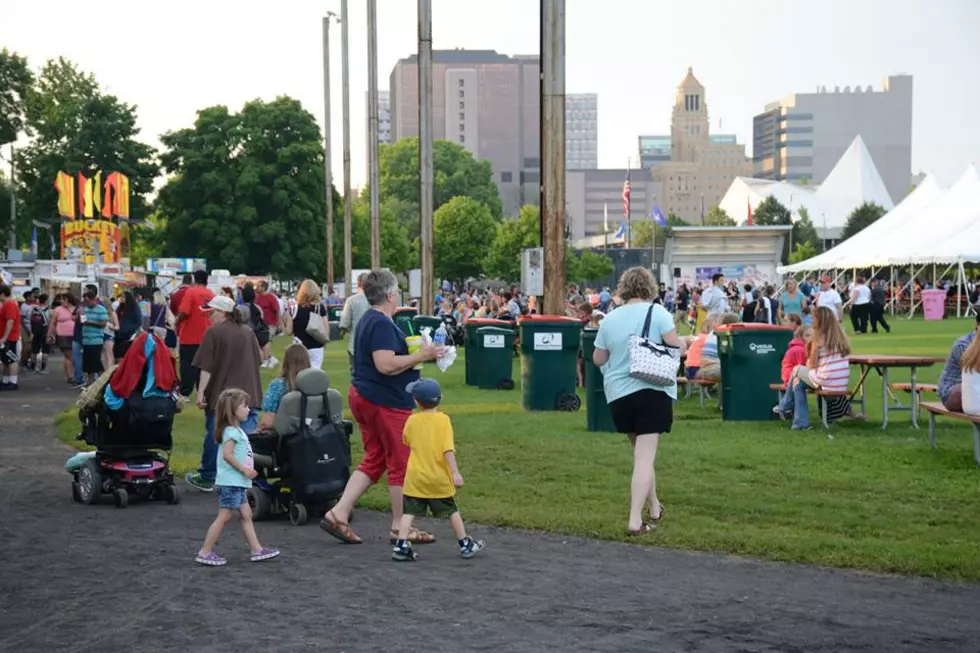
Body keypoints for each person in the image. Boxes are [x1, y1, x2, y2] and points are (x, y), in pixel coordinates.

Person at [319, 269, 444, 546]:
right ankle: (400, 527)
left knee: (375, 459)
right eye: (396, 290)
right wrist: (421, 355)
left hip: (366, 395)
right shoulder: (382, 324)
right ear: (389, 294)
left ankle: (338, 513)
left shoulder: (369, 320)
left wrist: (420, 357)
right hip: (384, 401)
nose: (398, 294)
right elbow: (385, 364)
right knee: (401, 462)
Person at [591, 267, 685, 535]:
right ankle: (635, 520)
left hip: (619, 396)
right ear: (649, 287)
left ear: (623, 288)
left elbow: (598, 358)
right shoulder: (658, 313)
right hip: (651, 391)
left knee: (641, 454)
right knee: (644, 457)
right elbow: (674, 346)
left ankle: (654, 506)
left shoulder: (609, 319)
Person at [391, 378, 486, 562]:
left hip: (416, 477)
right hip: (438, 478)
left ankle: (401, 545)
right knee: (451, 511)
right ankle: (464, 543)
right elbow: (447, 449)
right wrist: (455, 472)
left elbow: (406, 440)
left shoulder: (412, 420)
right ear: (440, 399)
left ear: (417, 402)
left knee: (408, 513)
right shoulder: (443, 420)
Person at [185, 296, 263, 492]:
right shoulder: (248, 332)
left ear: (222, 313)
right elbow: (260, 359)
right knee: (245, 439)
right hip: (249, 393)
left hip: (224, 395)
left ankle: (208, 476)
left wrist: (201, 392)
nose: (209, 317)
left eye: (211, 312)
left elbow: (206, 367)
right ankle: (246, 475)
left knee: (216, 435)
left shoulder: (213, 332)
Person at [195, 388, 280, 566]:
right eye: (245, 406)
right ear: (233, 409)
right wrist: (244, 470)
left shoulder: (236, 430)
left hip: (238, 482)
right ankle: (205, 551)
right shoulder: (231, 432)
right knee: (224, 516)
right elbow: (228, 455)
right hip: (231, 482)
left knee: (246, 514)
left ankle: (257, 549)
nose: (248, 409)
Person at [776, 306, 851, 430]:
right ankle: (799, 423)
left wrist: (809, 359)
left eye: (814, 318)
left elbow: (812, 366)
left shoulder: (818, 339)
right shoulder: (841, 338)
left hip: (825, 381)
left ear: (819, 320)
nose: (811, 321)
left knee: (797, 369)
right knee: (798, 383)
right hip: (841, 382)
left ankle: (785, 404)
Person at [175, 269, 215, 398]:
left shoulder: (190, 292)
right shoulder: (211, 295)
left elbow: (184, 312)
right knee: (203, 366)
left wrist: (176, 319)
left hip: (189, 336)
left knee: (187, 365)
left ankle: (185, 392)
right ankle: (201, 390)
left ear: (194, 279)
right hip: (206, 335)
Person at [257, 344, 311, 430]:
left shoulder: (278, 386)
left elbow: (267, 422)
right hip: (314, 435)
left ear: (286, 362)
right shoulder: (317, 387)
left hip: (285, 437)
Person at [937, 314, 980, 412]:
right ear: (977, 324)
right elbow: (973, 375)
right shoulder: (964, 345)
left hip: (972, 391)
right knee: (972, 387)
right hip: (951, 392)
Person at [340, 272, 371, 369]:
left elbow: (345, 322)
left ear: (358, 284)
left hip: (356, 342)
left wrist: (344, 330)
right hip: (374, 342)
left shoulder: (351, 300)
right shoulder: (377, 299)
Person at [78, 290, 109, 386]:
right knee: (87, 365)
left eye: (87, 301)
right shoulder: (85, 309)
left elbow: (103, 324)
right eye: (85, 301)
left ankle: (103, 383)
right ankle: (89, 383)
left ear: (93, 300)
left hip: (96, 340)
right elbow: (81, 321)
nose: (86, 303)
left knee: (96, 363)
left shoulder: (101, 309)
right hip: (86, 339)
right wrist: (80, 315)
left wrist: (90, 322)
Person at [50, 292, 78, 384]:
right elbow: (53, 323)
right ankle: (70, 376)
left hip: (75, 334)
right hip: (63, 335)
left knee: (74, 356)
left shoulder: (76, 308)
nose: (62, 301)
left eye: (64, 299)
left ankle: (72, 375)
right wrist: (50, 334)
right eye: (61, 299)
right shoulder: (57, 310)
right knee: (68, 355)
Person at [254, 280, 281, 368]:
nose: (257, 288)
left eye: (259, 286)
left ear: (264, 287)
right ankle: (271, 359)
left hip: (270, 324)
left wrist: (278, 323)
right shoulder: (257, 298)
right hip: (261, 324)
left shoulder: (271, 297)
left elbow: (277, 310)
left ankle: (266, 361)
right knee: (262, 342)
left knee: (266, 342)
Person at [0, 285, 21, 391]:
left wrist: (5, 337)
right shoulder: (6, 305)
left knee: (11, 359)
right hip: (6, 337)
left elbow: (10, 321)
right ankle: (6, 380)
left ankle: (13, 382)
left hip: (10, 337)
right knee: (5, 360)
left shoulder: (9, 305)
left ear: (2, 294)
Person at [114, 291, 143, 361]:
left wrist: (130, 329)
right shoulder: (119, 308)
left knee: (127, 355)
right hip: (118, 335)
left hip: (129, 336)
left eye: (123, 297)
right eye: (121, 297)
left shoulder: (134, 307)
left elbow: (138, 321)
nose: (121, 298)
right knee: (118, 355)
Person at [29, 293, 51, 374]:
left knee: (34, 350)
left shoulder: (34, 309)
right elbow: (50, 322)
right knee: (45, 350)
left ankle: (33, 367)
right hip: (45, 331)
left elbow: (30, 320)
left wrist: (31, 331)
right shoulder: (48, 310)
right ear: (46, 301)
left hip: (35, 332)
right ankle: (43, 368)